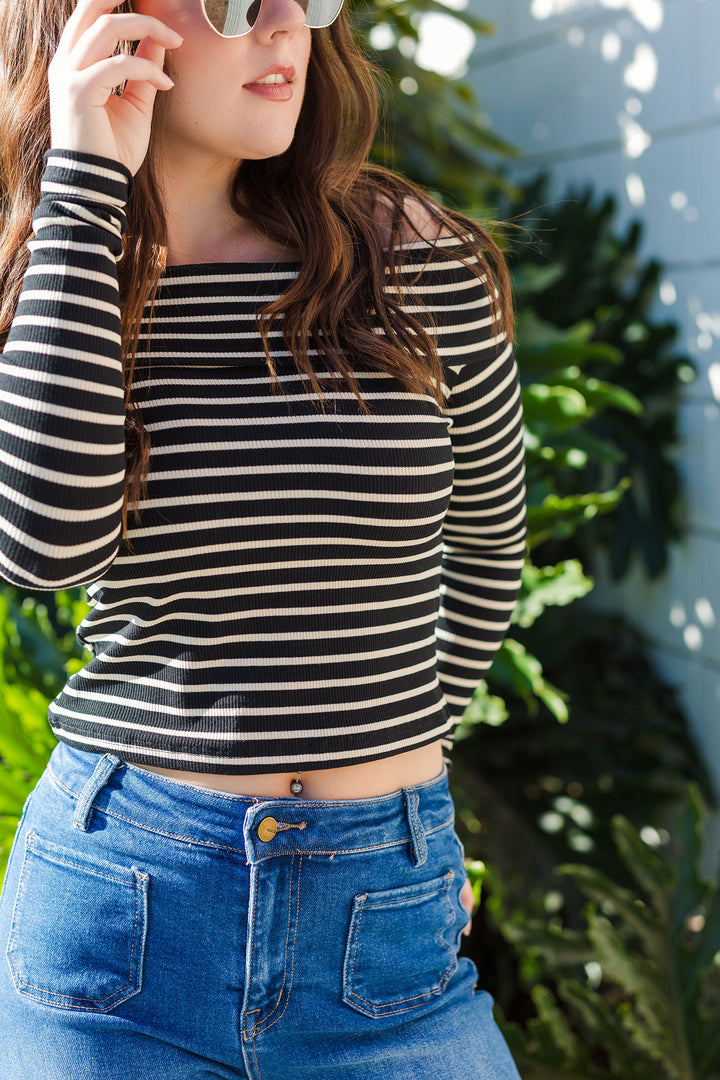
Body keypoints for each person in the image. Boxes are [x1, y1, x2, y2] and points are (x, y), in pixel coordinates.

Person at [0, 0, 527, 1076]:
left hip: (384, 923)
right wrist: (88, 186)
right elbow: (41, 550)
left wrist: (406, 811)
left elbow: (482, 551)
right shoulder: (59, 272)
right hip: (118, 929)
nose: (288, 24)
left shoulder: (414, 258)